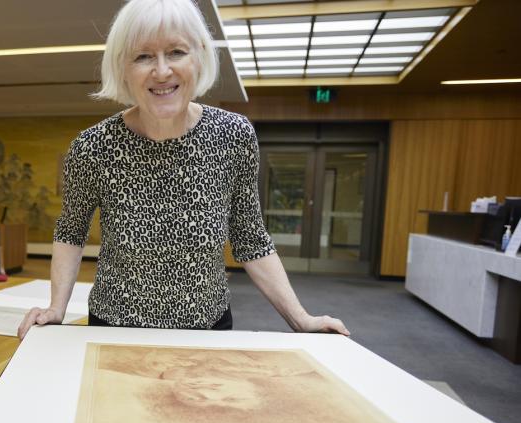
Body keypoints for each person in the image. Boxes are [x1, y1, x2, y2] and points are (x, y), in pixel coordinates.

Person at [18, 0, 348, 339]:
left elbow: (249, 237)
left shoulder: (233, 136)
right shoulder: (93, 147)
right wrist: (56, 308)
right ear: (122, 67)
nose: (161, 71)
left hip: (207, 328)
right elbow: (72, 230)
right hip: (115, 329)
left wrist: (300, 318)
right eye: (143, 56)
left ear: (199, 55)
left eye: (176, 52)